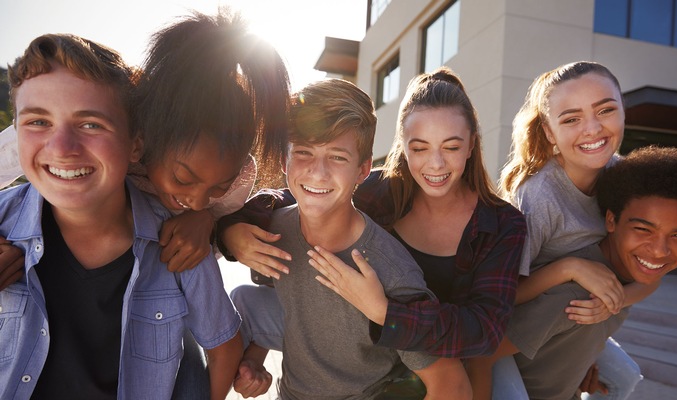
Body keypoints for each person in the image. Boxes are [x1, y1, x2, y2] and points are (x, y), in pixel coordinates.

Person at [218, 67, 528, 396]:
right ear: (403, 146)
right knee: (245, 300)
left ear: (470, 146)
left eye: (450, 147)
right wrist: (230, 229)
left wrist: (383, 311)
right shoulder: (378, 189)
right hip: (362, 336)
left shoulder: (500, 224)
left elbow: (483, 331)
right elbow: (301, 195)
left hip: (453, 351)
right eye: (420, 147)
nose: (435, 164)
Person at [0, 33, 242, 399]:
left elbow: (223, 345)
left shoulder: (178, 242)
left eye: (91, 124)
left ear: (136, 145)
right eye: (38, 122)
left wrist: (207, 216)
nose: (62, 149)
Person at [0, 9, 291, 274]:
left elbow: (203, 238)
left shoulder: (239, 179)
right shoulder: (96, 129)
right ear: (142, 138)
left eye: (218, 187)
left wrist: (206, 221)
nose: (198, 200)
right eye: (183, 178)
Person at [468, 61, 649, 399]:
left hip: (574, 324)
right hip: (507, 333)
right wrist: (570, 268)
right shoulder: (537, 196)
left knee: (624, 378)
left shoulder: (627, 179)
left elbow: (651, 274)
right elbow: (502, 296)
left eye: (605, 110)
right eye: (571, 119)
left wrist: (599, 322)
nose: (592, 129)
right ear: (550, 132)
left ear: (623, 110)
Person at [496, 145, 677, 400]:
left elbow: (651, 283)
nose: (659, 251)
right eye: (643, 229)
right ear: (610, 221)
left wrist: (579, 362)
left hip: (562, 382)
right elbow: (483, 353)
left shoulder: (628, 276)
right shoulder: (574, 297)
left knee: (622, 377)